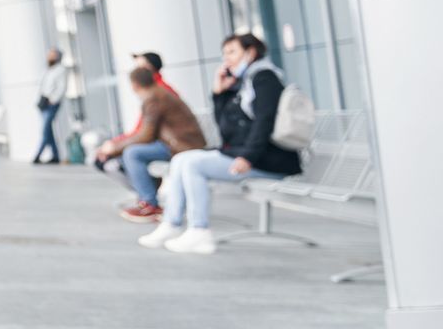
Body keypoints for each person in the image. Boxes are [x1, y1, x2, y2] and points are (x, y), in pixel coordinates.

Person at [140, 33, 301, 255]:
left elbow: (265, 121)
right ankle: (171, 224)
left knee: (193, 164)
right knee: (181, 159)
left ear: (251, 52)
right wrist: (219, 93)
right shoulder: (242, 83)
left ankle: (199, 231)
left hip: (268, 159)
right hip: (246, 155)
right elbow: (226, 128)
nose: (227, 58)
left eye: (232, 52)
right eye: (224, 53)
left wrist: (248, 157)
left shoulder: (264, 78)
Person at [112, 65, 206, 222]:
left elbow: (145, 135)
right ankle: (147, 196)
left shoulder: (154, 98)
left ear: (134, 85)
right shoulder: (158, 93)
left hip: (182, 147)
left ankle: (149, 204)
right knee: (126, 155)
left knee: (132, 153)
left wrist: (114, 147)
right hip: (179, 143)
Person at [93, 51, 181, 174]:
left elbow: (145, 134)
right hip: (158, 141)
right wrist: (115, 143)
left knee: (128, 154)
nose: (135, 71)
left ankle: (148, 193)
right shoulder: (152, 92)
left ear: (149, 68)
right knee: (109, 160)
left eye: (139, 67)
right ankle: (146, 191)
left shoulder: (158, 93)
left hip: (168, 144)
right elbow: (141, 130)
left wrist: (115, 146)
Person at [33, 48, 68, 164]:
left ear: (57, 57)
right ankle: (55, 156)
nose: (49, 57)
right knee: (48, 131)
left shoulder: (61, 70)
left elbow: (62, 87)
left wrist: (53, 100)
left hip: (52, 104)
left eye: (52, 55)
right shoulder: (47, 70)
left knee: (45, 130)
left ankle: (37, 155)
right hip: (43, 103)